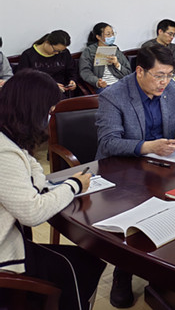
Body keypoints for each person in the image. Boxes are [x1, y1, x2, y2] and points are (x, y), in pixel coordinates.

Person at [95, 44, 175, 307]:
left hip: (161, 165)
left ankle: (164, 266)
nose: (165, 82)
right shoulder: (113, 96)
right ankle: (123, 271)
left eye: (169, 75)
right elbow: (108, 142)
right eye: (159, 75)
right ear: (140, 71)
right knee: (136, 215)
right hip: (122, 171)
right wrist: (147, 147)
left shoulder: (170, 89)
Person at [0, 69, 105, 310]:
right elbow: (32, 213)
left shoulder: (9, 136)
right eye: (48, 111)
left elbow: (32, 165)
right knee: (81, 267)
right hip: (4, 252)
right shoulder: (4, 151)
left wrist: (36, 183)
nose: (49, 117)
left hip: (11, 236)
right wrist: (74, 185)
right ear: (32, 109)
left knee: (84, 262)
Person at [141, 18, 175, 94]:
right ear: (160, 31)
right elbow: (150, 66)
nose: (172, 37)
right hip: (154, 80)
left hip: (173, 78)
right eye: (170, 34)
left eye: (174, 35)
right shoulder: (148, 46)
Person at [18, 30, 77, 96]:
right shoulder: (28, 55)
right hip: (38, 92)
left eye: (60, 51)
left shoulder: (64, 53)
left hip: (61, 91)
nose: (57, 53)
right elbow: (24, 80)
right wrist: (50, 85)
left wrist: (73, 80)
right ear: (47, 42)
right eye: (55, 50)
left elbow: (71, 70)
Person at [79, 22, 132, 93]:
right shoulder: (89, 51)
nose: (111, 36)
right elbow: (85, 71)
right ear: (98, 37)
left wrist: (117, 64)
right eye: (108, 34)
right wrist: (97, 82)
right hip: (104, 86)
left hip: (120, 83)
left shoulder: (115, 49)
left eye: (112, 33)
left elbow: (128, 72)